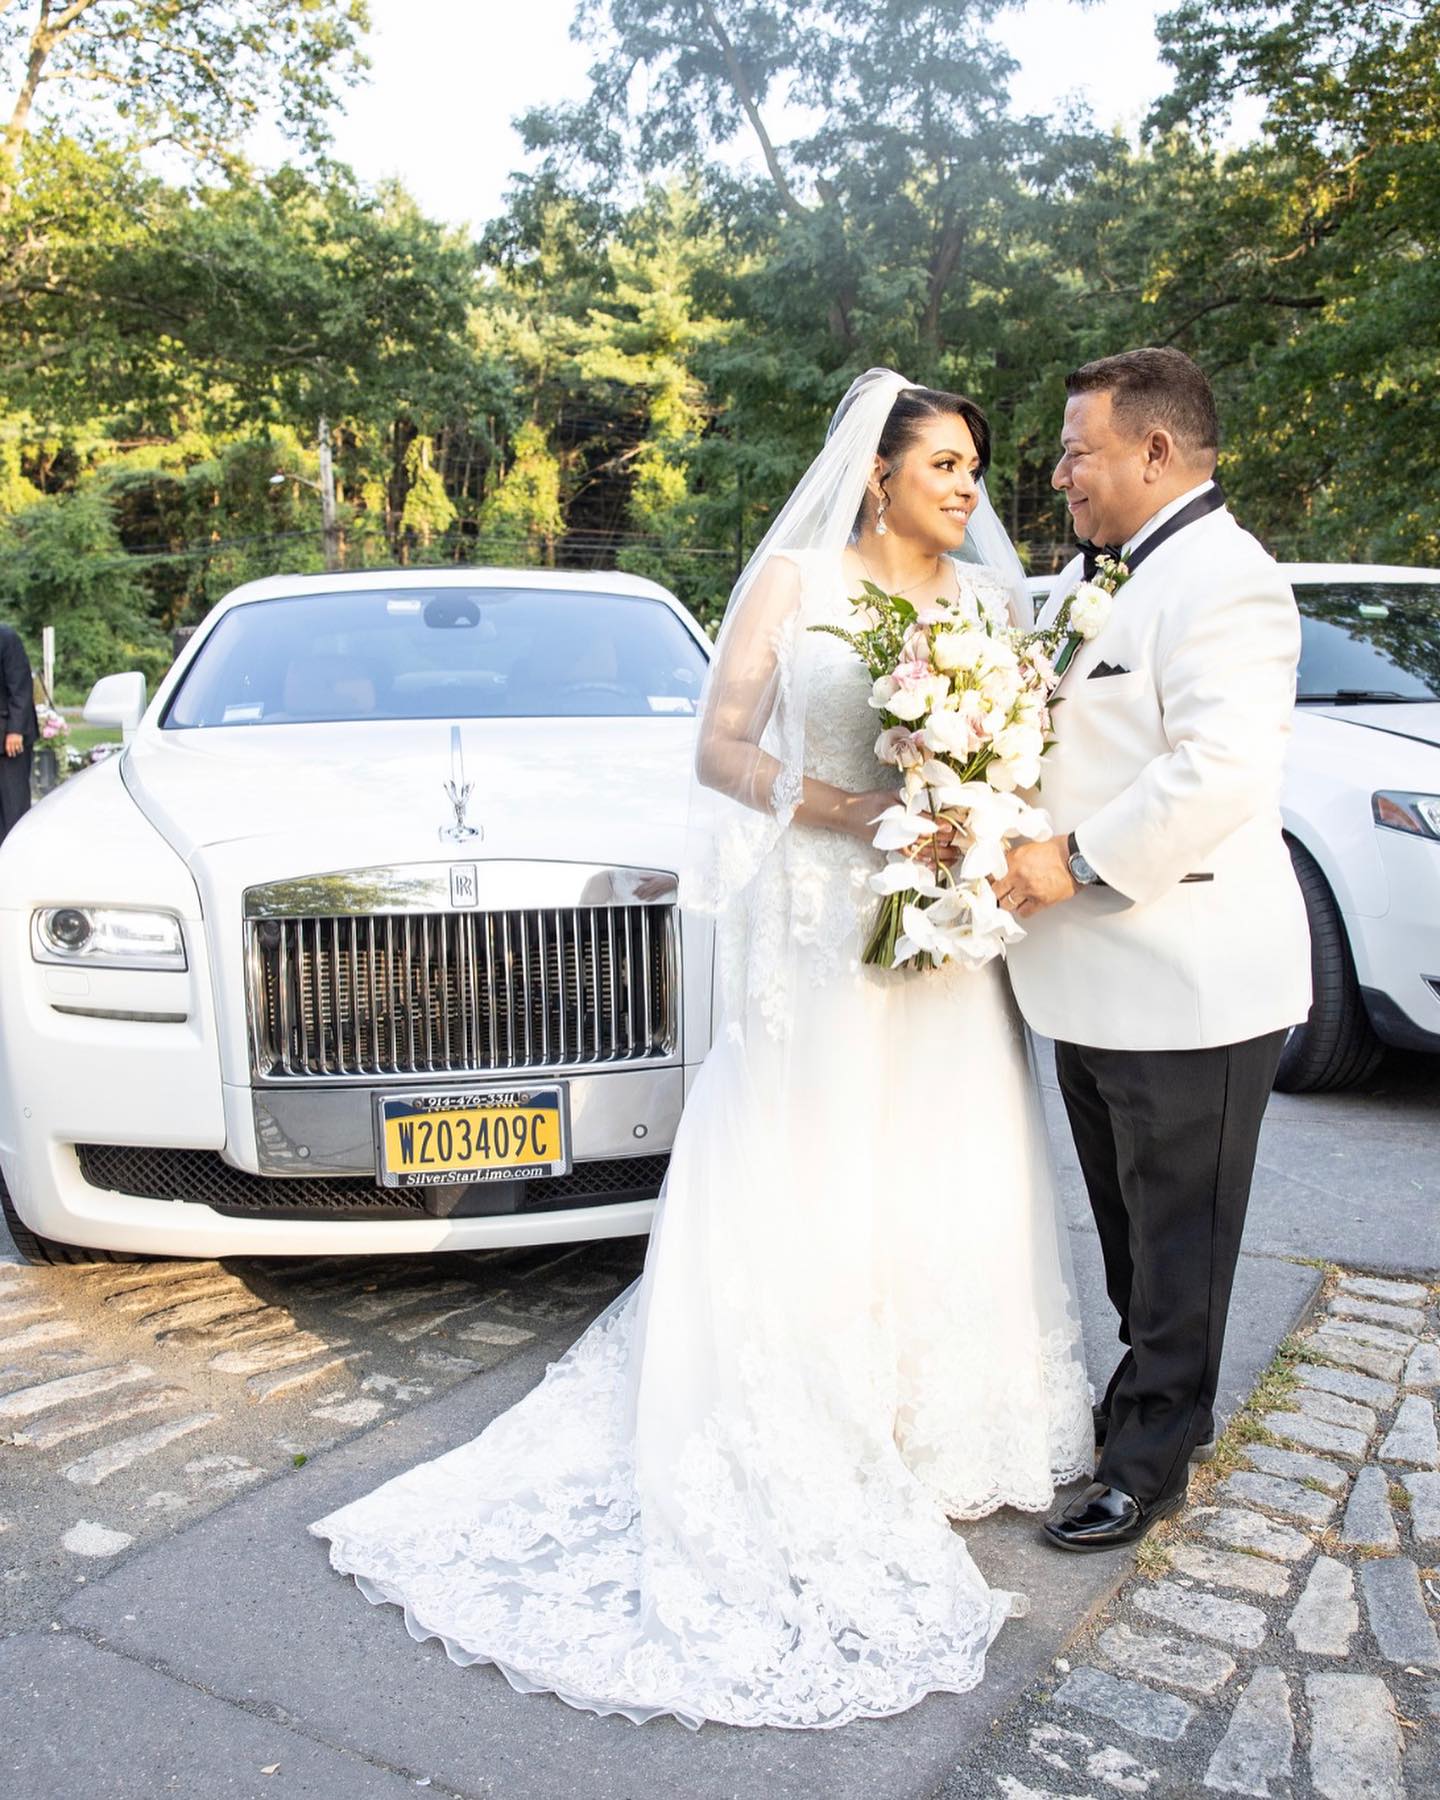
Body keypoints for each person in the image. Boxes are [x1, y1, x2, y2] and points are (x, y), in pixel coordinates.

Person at [311, 370, 1092, 1730]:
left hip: (940, 918)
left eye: (978, 466)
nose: (971, 488)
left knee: (948, 1146)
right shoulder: (796, 583)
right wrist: (852, 806)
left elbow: (1017, 753)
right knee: (817, 1150)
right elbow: (720, 750)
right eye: (948, 465)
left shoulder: (986, 605)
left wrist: (974, 801)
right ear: (878, 473)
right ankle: (814, 1407)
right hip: (823, 909)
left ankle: (943, 1418)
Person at [997, 347, 1311, 1552]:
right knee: (1131, 1231)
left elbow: (1220, 769)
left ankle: (1151, 1458)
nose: (1063, 471)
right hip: (1088, 977)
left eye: (1079, 449)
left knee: (1180, 1238)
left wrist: (1066, 860)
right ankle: (1151, 1403)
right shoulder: (1092, 576)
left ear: (1156, 451)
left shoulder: (1228, 581)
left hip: (1189, 975)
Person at [0, 623, 38, 844]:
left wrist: (15, 730)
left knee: (13, 806)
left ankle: (16, 853)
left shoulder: (7, 638)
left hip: (11, 739)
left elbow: (21, 687)